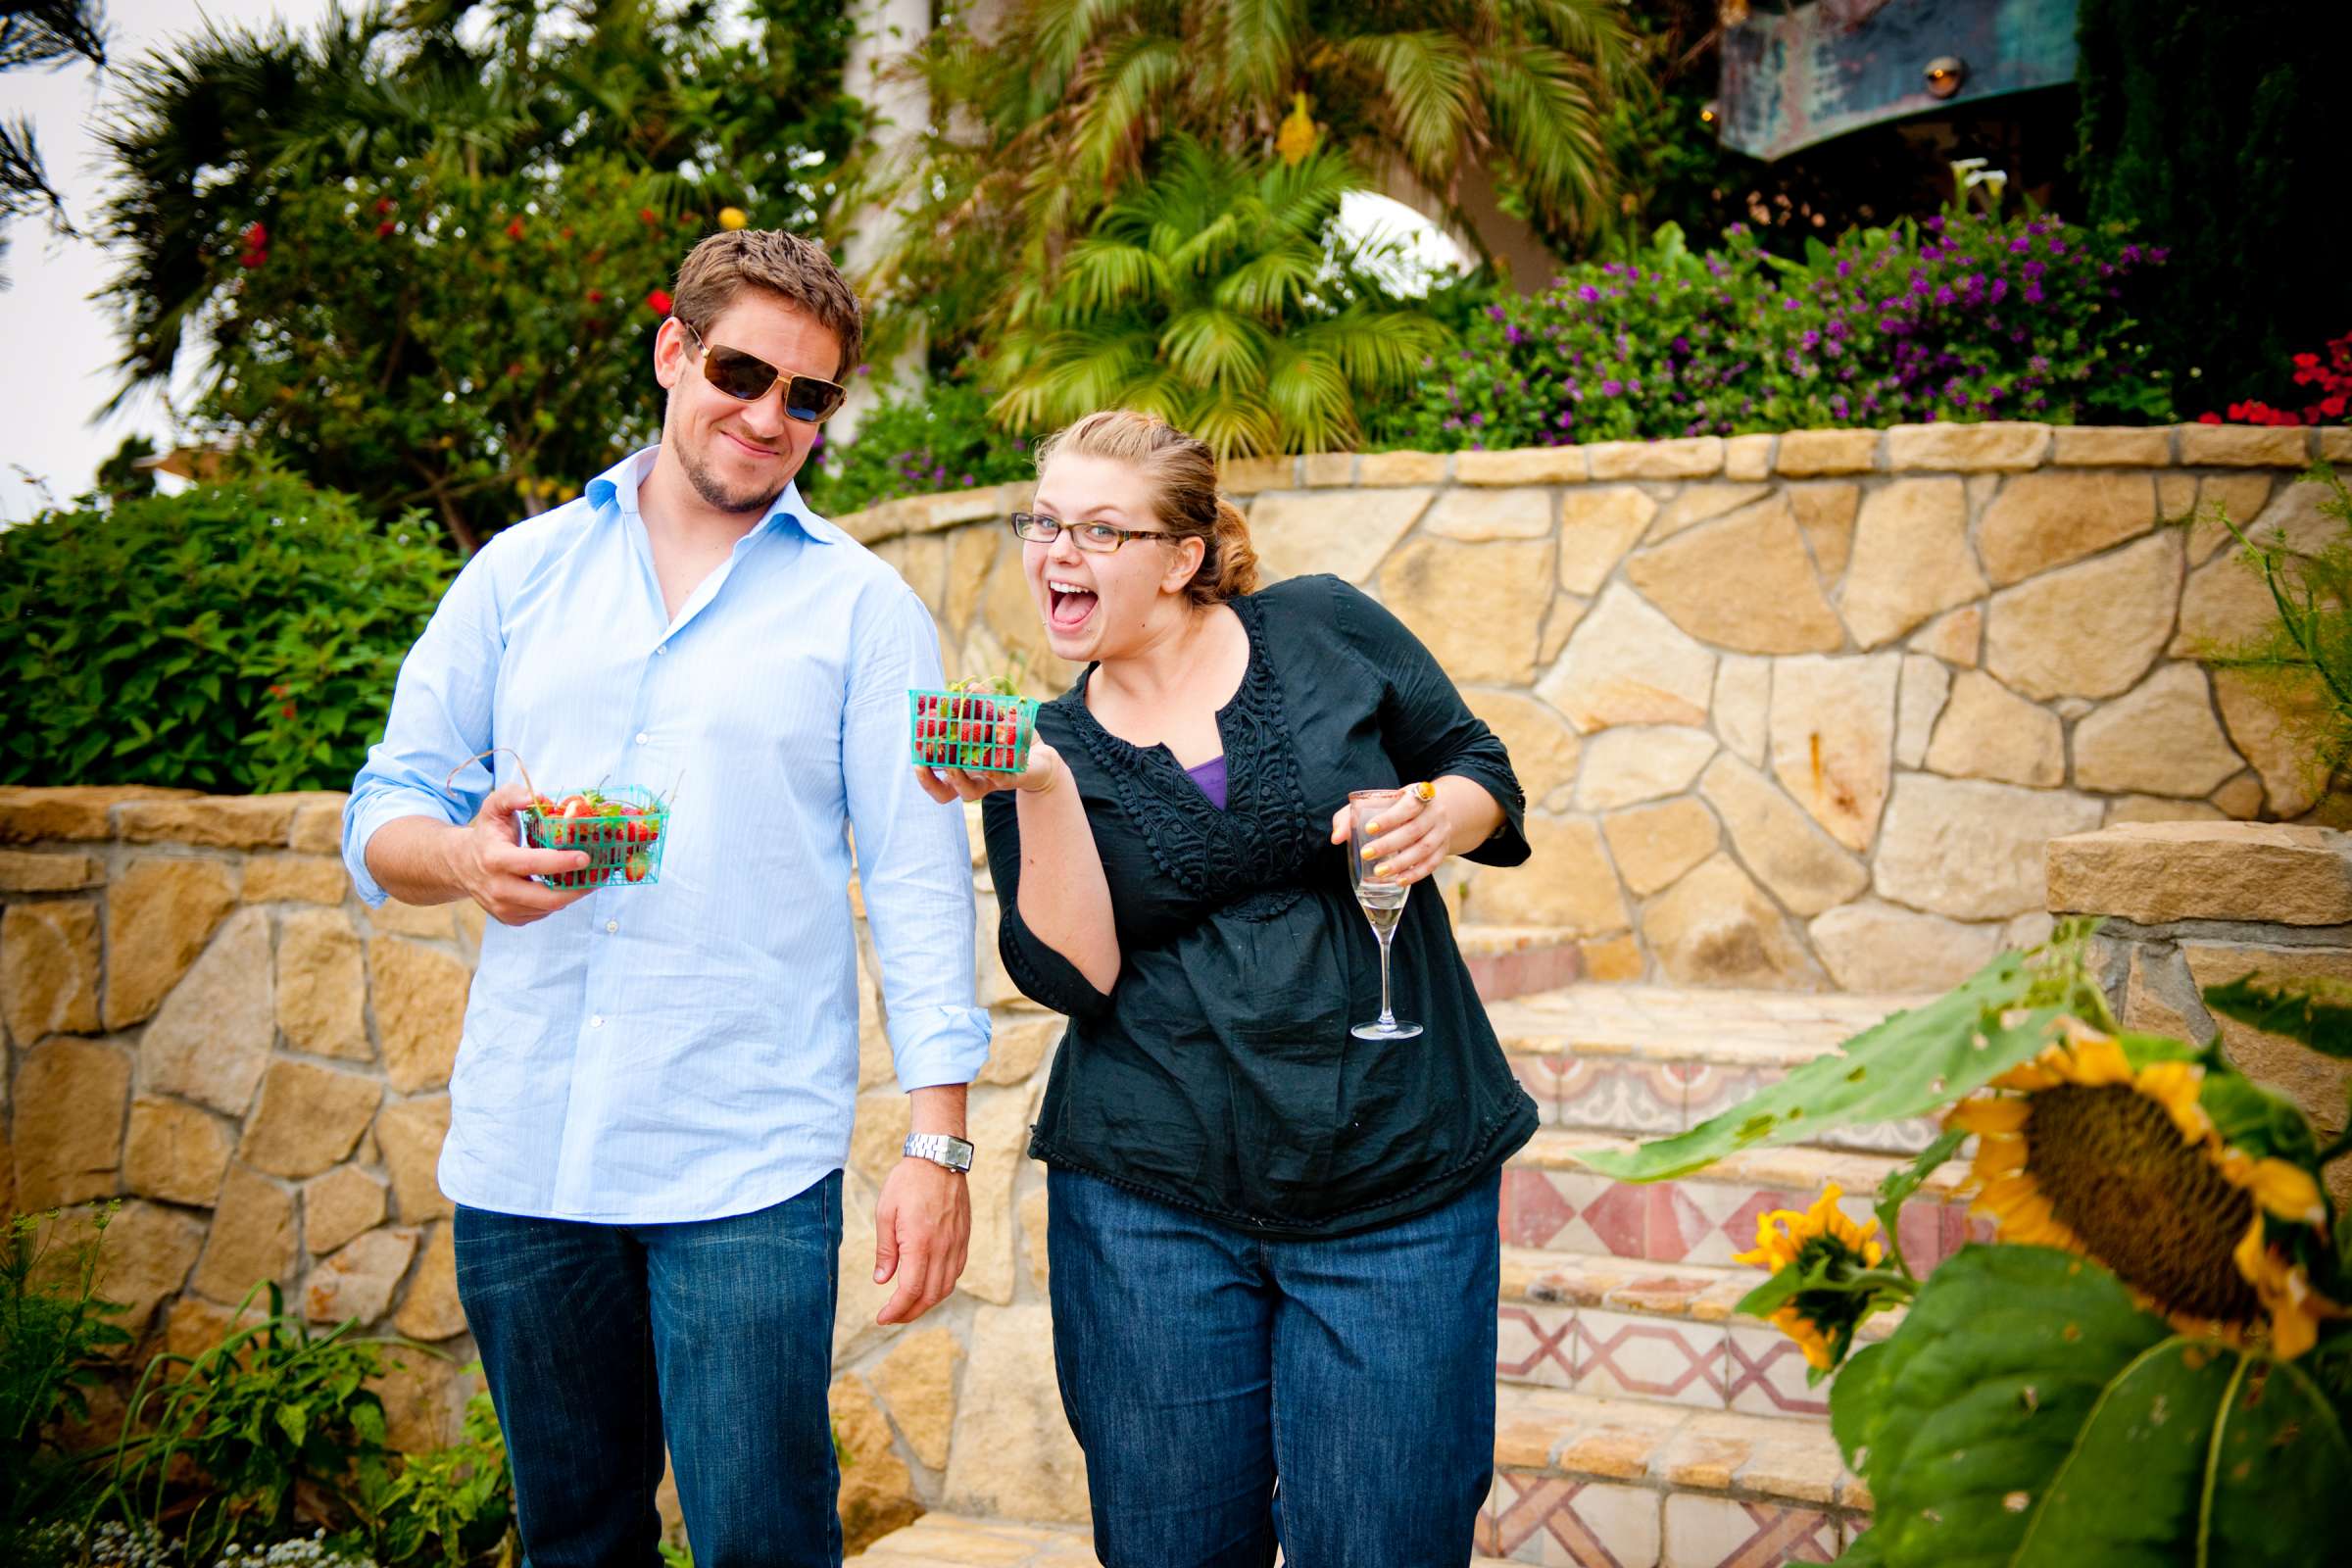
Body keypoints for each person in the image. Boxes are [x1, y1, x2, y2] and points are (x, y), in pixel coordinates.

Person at [343, 229, 991, 1567]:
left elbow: (920, 883)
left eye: (807, 396)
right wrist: (466, 856)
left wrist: (938, 1149)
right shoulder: (517, 576)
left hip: (745, 1162)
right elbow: (384, 808)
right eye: (741, 373)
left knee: (765, 1541)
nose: (769, 417)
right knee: (575, 1543)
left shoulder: (867, 612)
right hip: (529, 1154)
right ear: (671, 354)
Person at [916, 410, 1539, 1567]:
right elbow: (1071, 974)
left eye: (1100, 529)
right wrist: (1042, 786)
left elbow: (1479, 765)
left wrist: (1430, 820)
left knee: (1387, 1541)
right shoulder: (1036, 742)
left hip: (1396, 1176)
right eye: (1043, 521)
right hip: (1152, 1206)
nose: (1058, 550)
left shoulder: (1324, 626)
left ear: (1182, 556)